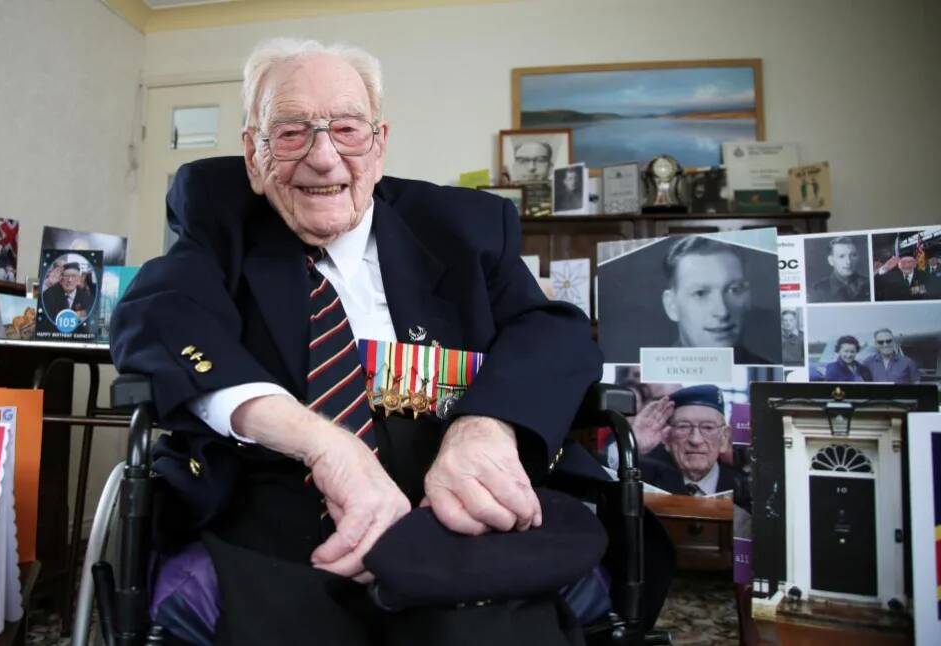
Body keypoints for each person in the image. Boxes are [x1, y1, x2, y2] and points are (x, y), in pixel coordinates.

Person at [109, 38, 626, 646]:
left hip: (454, 518)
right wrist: (328, 448)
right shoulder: (219, 220)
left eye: (346, 130)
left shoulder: (462, 227)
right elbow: (159, 319)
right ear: (253, 153)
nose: (324, 158)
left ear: (378, 144)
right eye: (292, 133)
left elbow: (554, 331)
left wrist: (485, 428)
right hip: (280, 527)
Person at [660, 236, 772, 364]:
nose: (722, 311)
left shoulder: (772, 376)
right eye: (700, 293)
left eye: (734, 290)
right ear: (671, 306)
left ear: (748, 297)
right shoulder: (647, 376)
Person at [639, 385, 739, 496]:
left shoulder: (745, 489)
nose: (695, 440)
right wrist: (635, 443)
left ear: (724, 437)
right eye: (683, 427)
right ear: (666, 437)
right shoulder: (643, 481)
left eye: (708, 427)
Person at [808, 236, 869, 303]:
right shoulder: (818, 290)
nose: (848, 261)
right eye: (841, 256)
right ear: (831, 260)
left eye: (853, 255)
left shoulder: (869, 284)